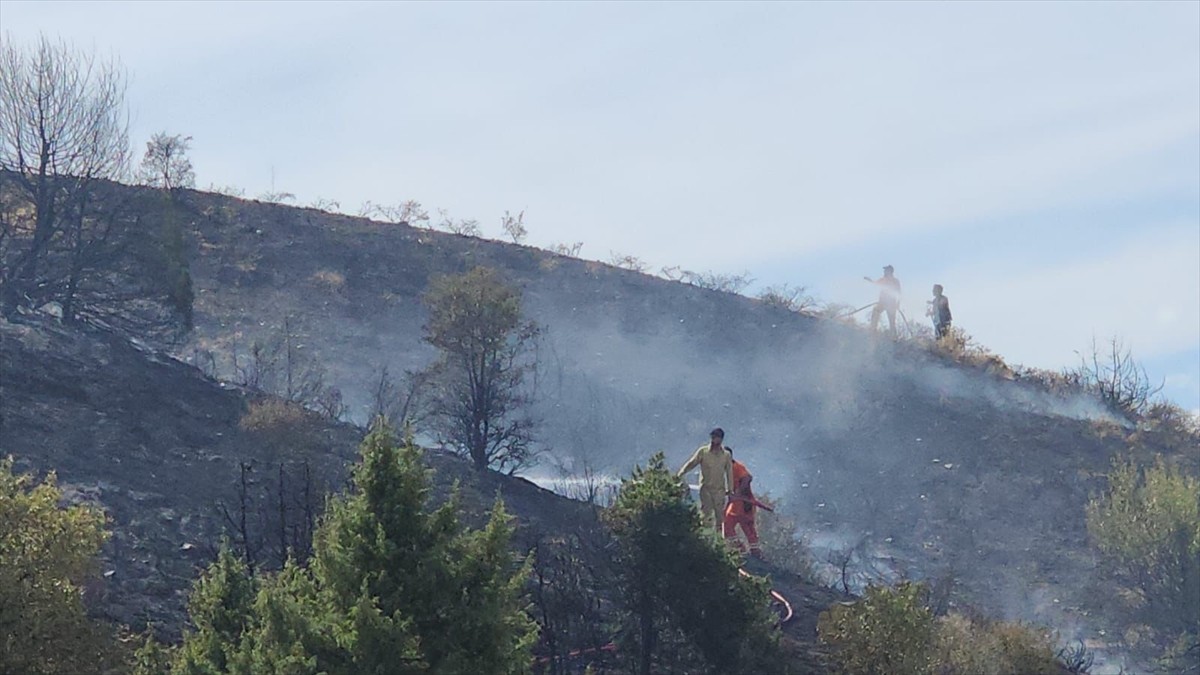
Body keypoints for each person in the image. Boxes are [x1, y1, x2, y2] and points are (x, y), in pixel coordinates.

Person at [677, 428, 733, 532]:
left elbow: (729, 472)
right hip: (705, 489)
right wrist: (681, 473)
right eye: (713, 437)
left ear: (721, 439)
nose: (715, 440)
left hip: (719, 490)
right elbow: (692, 463)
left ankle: (718, 539)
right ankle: (706, 536)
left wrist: (730, 489)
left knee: (720, 518)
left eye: (717, 438)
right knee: (706, 515)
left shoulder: (726, 455)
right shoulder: (703, 452)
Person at [722, 449, 762, 558]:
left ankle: (755, 553)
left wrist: (738, 493)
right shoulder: (725, 470)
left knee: (747, 529)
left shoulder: (736, 467)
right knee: (727, 525)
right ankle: (740, 549)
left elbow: (747, 478)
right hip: (735, 504)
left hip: (744, 504)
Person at [864, 265, 901, 336]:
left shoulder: (895, 281)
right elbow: (875, 283)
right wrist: (869, 280)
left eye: (885, 270)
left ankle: (893, 337)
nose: (884, 272)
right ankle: (872, 331)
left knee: (892, 322)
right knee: (875, 311)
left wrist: (898, 304)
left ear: (889, 271)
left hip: (891, 304)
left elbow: (899, 293)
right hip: (882, 302)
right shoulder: (883, 279)